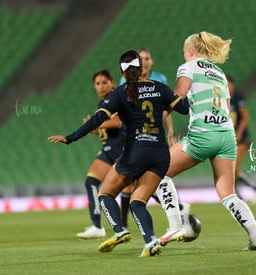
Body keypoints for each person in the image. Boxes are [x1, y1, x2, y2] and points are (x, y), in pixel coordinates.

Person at [48, 50, 190, 257]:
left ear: (122, 72)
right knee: (137, 201)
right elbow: (184, 109)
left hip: (136, 152)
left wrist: (70, 138)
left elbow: (97, 121)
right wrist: (175, 96)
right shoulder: (159, 88)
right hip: (160, 154)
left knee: (104, 193)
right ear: (142, 68)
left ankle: (120, 230)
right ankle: (150, 240)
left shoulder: (120, 93)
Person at [154, 31, 256, 251]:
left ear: (189, 50)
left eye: (184, 52)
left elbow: (178, 96)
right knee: (228, 192)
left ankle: (175, 225)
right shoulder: (220, 73)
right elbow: (224, 105)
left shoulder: (188, 67)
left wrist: (159, 117)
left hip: (203, 134)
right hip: (226, 135)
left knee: (158, 170)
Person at [117, 48, 188, 228]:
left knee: (146, 178)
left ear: (151, 61)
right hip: (134, 134)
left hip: (153, 134)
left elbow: (168, 104)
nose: (145, 61)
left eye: (147, 58)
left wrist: (170, 129)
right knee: (136, 181)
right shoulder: (124, 82)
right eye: (142, 59)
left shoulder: (159, 79)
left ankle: (123, 226)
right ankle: (176, 208)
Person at [76, 70, 126, 239]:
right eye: (97, 83)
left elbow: (118, 121)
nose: (101, 86)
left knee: (94, 183)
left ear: (112, 83)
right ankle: (97, 225)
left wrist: (95, 124)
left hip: (117, 148)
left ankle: (98, 226)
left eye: (104, 82)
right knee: (93, 182)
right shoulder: (102, 102)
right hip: (109, 147)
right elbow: (106, 128)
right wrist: (95, 129)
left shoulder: (114, 98)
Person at [226, 74, 256, 205]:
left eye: (230, 84)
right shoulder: (221, 99)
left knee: (234, 169)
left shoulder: (237, 98)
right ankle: (238, 197)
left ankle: (255, 189)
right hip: (227, 138)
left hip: (239, 139)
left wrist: (239, 133)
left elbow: (245, 116)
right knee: (230, 170)